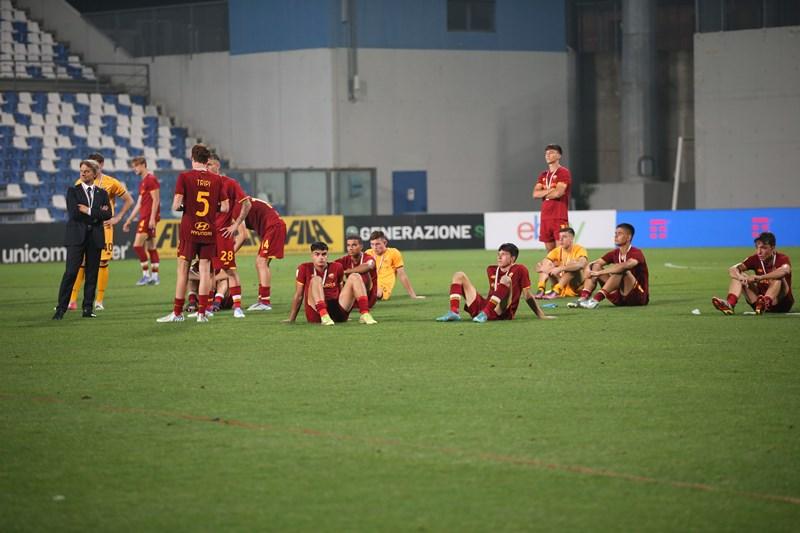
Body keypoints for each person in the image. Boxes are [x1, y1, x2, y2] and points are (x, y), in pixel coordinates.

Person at [157, 144, 228, 323]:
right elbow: (226, 207)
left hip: (190, 230)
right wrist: (212, 208)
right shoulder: (217, 179)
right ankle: (202, 313)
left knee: (183, 270)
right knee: (205, 271)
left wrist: (185, 206)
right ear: (207, 160)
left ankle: (177, 313)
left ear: (192, 158)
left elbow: (175, 205)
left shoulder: (185, 177)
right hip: (208, 230)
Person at [67, 152, 134, 311]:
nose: (92, 168)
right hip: (85, 228)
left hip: (104, 228)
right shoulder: (80, 182)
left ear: (101, 165)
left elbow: (129, 200)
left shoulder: (111, 183)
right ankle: (73, 300)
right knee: (81, 263)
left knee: (103, 262)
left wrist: (118, 218)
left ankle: (99, 300)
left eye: (95, 165)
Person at [53, 160, 112, 319]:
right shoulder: (73, 191)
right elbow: (74, 213)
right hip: (76, 237)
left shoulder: (103, 193)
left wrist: (88, 210)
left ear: (94, 173)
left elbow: (108, 214)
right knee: (71, 273)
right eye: (81, 171)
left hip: (95, 238)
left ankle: (87, 309)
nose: (83, 173)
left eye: (86, 171)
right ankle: (60, 309)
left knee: (92, 275)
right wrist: (96, 213)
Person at [436, 243, 553, 322]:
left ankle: (485, 314)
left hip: (504, 311)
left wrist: (541, 315)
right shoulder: (491, 269)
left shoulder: (520, 269)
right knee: (459, 275)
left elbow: (527, 295)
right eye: (498, 254)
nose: (499, 257)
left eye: (503, 254)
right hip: (486, 306)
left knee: (506, 280)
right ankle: (454, 312)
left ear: (512, 258)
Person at [284, 241, 377, 326]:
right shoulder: (304, 268)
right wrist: (292, 318)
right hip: (317, 313)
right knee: (316, 279)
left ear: (327, 255)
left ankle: (365, 313)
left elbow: (341, 290)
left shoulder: (337, 267)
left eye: (324, 254)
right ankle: (324, 315)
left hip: (337, 311)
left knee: (355, 276)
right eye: (317, 254)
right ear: (312, 255)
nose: (321, 257)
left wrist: (346, 311)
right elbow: (299, 295)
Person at [208, 153, 251, 318]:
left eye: (211, 164)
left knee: (230, 270)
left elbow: (246, 204)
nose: (208, 167)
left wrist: (236, 224)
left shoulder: (230, 183)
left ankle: (238, 307)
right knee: (208, 272)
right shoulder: (202, 185)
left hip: (223, 235)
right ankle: (206, 308)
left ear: (218, 165)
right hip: (205, 234)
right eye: (206, 165)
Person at [712, 232, 793, 315]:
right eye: (757, 248)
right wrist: (740, 278)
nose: (759, 252)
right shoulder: (754, 258)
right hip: (758, 304)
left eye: (763, 248)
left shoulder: (782, 258)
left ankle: (766, 301)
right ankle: (730, 304)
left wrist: (760, 277)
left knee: (778, 277)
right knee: (740, 274)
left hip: (781, 304)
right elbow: (732, 269)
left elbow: (784, 271)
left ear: (773, 248)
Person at [575, 223, 649, 309]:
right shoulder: (615, 253)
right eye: (615, 234)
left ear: (629, 237)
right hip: (619, 298)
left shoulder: (636, 252)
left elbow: (624, 266)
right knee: (596, 266)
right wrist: (588, 268)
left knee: (621, 269)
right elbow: (596, 262)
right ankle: (583, 298)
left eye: (620, 234)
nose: (616, 236)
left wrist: (599, 273)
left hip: (637, 297)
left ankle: (595, 300)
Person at [240, 197, 286, 311]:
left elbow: (242, 236)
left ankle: (265, 302)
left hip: (273, 228)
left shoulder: (239, 205)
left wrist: (230, 252)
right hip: (272, 228)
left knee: (261, 262)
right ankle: (262, 300)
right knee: (261, 263)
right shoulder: (245, 201)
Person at [122, 157, 161, 286]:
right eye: (133, 166)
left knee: (137, 246)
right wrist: (129, 220)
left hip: (147, 218)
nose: (134, 168)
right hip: (145, 217)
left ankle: (146, 275)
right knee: (151, 247)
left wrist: (151, 218)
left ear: (143, 165)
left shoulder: (151, 179)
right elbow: (139, 204)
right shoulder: (143, 182)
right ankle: (154, 277)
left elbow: (156, 200)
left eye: (136, 166)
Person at [532, 144, 572, 252]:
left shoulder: (563, 172)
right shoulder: (543, 175)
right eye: (546, 153)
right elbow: (535, 194)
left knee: (562, 253)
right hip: (545, 218)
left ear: (559, 156)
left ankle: (566, 269)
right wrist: (551, 190)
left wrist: (544, 192)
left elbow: (558, 193)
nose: (548, 155)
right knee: (551, 255)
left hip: (559, 217)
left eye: (551, 153)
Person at [365, 230, 425, 301]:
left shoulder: (393, 253)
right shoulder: (368, 253)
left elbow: (402, 275)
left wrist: (413, 295)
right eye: (372, 244)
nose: (374, 247)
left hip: (383, 289)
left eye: (377, 244)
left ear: (385, 242)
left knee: (375, 292)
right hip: (369, 284)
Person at [534, 227, 588, 299]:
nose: (560, 240)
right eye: (559, 237)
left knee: (573, 266)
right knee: (547, 264)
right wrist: (543, 266)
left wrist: (560, 268)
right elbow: (543, 264)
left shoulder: (580, 249)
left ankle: (556, 290)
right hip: (560, 281)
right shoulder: (557, 250)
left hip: (576, 286)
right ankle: (541, 289)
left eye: (564, 237)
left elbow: (581, 264)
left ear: (572, 238)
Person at [335, 234, 378, 308]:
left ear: (361, 247)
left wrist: (346, 272)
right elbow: (330, 268)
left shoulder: (368, 258)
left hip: (368, 297)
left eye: (354, 245)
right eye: (348, 245)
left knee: (361, 274)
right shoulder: (344, 259)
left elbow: (368, 266)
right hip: (351, 297)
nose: (350, 248)